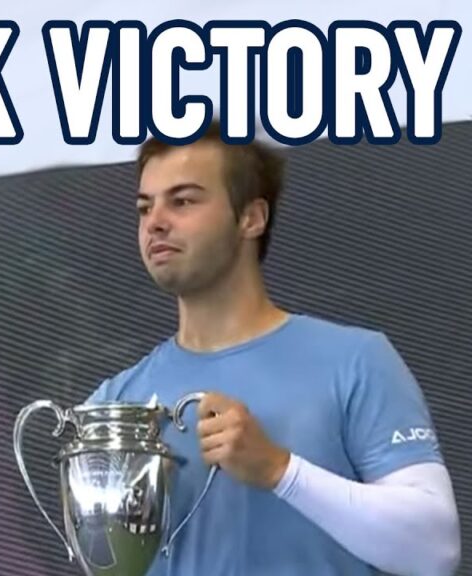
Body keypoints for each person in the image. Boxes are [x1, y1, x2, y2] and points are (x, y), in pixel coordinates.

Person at [86, 121, 461, 575]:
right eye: (145, 207)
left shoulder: (357, 362)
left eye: (183, 201)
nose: (156, 223)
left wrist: (280, 470)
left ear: (251, 217)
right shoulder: (114, 404)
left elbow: (434, 550)